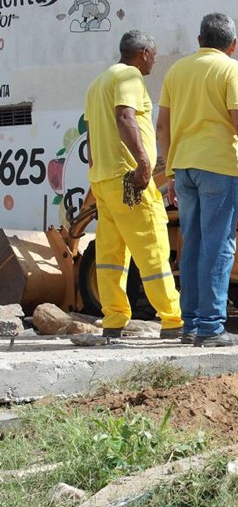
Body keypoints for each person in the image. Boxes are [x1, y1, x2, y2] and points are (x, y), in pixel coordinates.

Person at [157, 13, 238, 347]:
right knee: (219, 245)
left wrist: (170, 172)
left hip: (184, 168)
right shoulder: (230, 68)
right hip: (219, 167)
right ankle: (211, 327)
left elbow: (162, 127)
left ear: (199, 40)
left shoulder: (176, 71)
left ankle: (191, 324)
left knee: (191, 243)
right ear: (233, 45)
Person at [83, 30, 183, 339]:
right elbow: (125, 117)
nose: (154, 60)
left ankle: (113, 320)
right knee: (153, 248)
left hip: (105, 181)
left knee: (111, 255)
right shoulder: (129, 78)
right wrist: (143, 163)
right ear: (142, 53)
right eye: (153, 54)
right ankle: (173, 320)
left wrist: (97, 170)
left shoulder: (97, 83)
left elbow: (92, 134)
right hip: (129, 181)